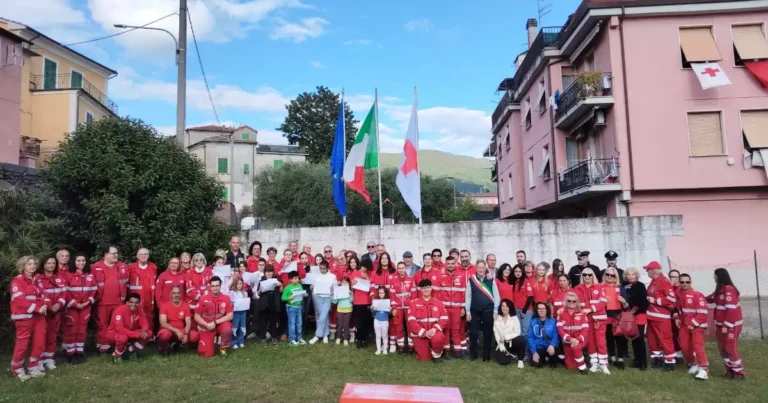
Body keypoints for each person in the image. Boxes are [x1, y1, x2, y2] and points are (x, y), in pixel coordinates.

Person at [10, 256, 47, 381]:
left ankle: (33, 367)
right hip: (23, 317)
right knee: (22, 344)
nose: (32, 266)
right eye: (29, 264)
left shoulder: (37, 280)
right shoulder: (17, 281)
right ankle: (17, 369)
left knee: (39, 343)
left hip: (39, 316)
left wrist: (45, 305)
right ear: (23, 266)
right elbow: (20, 300)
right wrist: (37, 308)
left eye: (33, 264)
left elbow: (43, 295)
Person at [707, 268, 745, 380]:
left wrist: (726, 325)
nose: (713, 278)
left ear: (719, 276)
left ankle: (739, 372)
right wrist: (697, 296)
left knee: (730, 348)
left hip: (731, 325)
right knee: (722, 349)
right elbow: (710, 298)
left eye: (714, 275)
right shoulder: (720, 290)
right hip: (720, 325)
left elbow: (731, 310)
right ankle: (730, 370)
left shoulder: (729, 290)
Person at [92, 245, 130, 355]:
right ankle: (103, 347)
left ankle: (117, 345)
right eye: (113, 253)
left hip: (119, 302)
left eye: (116, 253)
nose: (116, 255)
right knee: (102, 325)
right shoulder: (95, 267)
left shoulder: (122, 266)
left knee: (118, 325)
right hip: (102, 302)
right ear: (106, 255)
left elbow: (125, 283)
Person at [574, 267, 610, 374]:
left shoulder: (599, 287)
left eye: (590, 275)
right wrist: (582, 307)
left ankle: (603, 364)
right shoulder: (578, 288)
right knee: (591, 342)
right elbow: (577, 303)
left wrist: (590, 308)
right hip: (586, 319)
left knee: (600, 341)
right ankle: (594, 363)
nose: (587, 277)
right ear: (582, 276)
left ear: (593, 275)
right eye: (585, 275)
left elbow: (603, 302)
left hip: (599, 318)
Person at [674, 274, 710, 380]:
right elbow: (676, 309)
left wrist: (693, 324)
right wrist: (676, 318)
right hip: (684, 325)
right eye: (682, 282)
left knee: (698, 346)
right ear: (679, 283)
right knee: (684, 347)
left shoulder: (697, 295)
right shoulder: (678, 294)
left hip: (697, 325)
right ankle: (694, 363)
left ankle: (704, 369)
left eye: (687, 282)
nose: (685, 284)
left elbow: (703, 313)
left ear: (690, 282)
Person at [63, 252, 96, 364]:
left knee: (82, 330)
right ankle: (71, 354)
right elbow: (65, 292)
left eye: (83, 261)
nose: (81, 263)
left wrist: (88, 301)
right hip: (72, 307)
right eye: (78, 261)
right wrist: (74, 303)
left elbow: (94, 289)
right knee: (71, 330)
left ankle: (80, 352)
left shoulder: (89, 275)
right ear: (74, 262)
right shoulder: (68, 274)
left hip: (86, 307)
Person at [644, 261, 677, 371]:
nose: (646, 272)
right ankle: (657, 359)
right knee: (652, 339)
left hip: (661, 317)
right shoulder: (654, 282)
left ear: (653, 271)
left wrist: (655, 300)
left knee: (665, 339)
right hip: (651, 316)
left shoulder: (663, 282)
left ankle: (669, 362)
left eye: (647, 269)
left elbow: (672, 300)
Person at [465, 260, 500, 362]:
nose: (481, 269)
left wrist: (496, 310)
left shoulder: (491, 280)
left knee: (488, 334)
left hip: (489, 311)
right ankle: (473, 355)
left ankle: (486, 356)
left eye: (483, 268)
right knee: (474, 333)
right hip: (475, 311)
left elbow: (497, 296)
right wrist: (467, 311)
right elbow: (468, 297)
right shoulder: (471, 280)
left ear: (485, 268)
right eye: (479, 267)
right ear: (476, 268)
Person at [36, 256, 66, 371]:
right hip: (43, 313)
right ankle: (38, 360)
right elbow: (39, 295)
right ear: (43, 265)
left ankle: (48, 359)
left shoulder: (60, 278)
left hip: (56, 311)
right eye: (49, 263)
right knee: (40, 337)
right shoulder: (38, 278)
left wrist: (59, 304)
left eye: (53, 263)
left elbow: (64, 294)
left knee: (52, 336)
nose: (51, 265)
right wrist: (49, 307)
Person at [408, 279, 449, 363]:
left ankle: (437, 354)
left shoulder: (438, 303)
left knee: (438, 338)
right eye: (423, 288)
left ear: (431, 288)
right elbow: (411, 321)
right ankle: (429, 348)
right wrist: (424, 333)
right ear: (420, 289)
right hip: (420, 333)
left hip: (434, 331)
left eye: (427, 287)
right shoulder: (413, 303)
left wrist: (434, 329)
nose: (426, 290)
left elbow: (444, 318)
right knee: (424, 359)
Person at [107, 293, 152, 363]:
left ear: (139, 303)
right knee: (123, 338)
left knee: (149, 333)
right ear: (127, 302)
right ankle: (116, 356)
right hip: (113, 334)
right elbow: (120, 329)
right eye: (131, 302)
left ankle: (130, 351)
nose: (133, 305)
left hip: (130, 332)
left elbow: (145, 323)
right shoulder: (119, 310)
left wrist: (143, 331)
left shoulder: (139, 309)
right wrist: (138, 335)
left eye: (136, 303)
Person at [195, 276, 233, 358]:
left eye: (217, 286)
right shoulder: (203, 298)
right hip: (207, 326)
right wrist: (206, 325)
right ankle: (212, 343)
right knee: (206, 354)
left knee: (227, 329)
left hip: (220, 324)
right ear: (209, 286)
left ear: (220, 286)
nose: (215, 288)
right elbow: (196, 316)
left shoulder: (226, 298)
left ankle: (223, 349)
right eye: (213, 286)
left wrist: (215, 322)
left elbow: (230, 316)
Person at [439, 255, 467, 358]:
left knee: (456, 329)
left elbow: (463, 292)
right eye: (448, 264)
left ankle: (457, 350)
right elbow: (438, 293)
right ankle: (446, 350)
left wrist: (463, 307)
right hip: (444, 308)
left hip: (456, 308)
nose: (450, 265)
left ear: (455, 263)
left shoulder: (461, 276)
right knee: (446, 329)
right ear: (445, 264)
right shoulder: (441, 276)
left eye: (452, 263)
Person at [158, 286, 198, 355]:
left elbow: (188, 322)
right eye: (174, 293)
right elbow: (163, 323)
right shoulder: (164, 305)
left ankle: (178, 345)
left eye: (178, 293)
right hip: (169, 330)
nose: (176, 295)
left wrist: (186, 334)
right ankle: (164, 348)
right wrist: (176, 331)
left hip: (181, 331)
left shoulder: (185, 305)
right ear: (170, 295)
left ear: (181, 294)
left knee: (195, 335)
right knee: (164, 335)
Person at [622, 267, 649, 370]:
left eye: (633, 274)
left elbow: (643, 302)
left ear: (636, 275)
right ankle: (637, 360)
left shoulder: (640, 285)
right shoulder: (623, 286)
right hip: (628, 315)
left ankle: (643, 362)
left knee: (640, 338)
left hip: (639, 314)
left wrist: (633, 311)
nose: (630, 276)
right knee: (633, 338)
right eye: (628, 274)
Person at [556, 291, 589, 374]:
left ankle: (582, 367)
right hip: (567, 341)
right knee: (571, 367)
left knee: (575, 347)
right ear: (565, 302)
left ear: (577, 302)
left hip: (580, 340)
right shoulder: (561, 313)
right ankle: (581, 358)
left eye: (574, 301)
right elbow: (560, 329)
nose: (571, 303)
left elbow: (586, 330)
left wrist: (578, 339)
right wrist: (570, 339)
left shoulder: (582, 313)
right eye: (569, 301)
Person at [603, 267, 629, 369]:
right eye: (607, 274)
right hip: (606, 315)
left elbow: (627, 306)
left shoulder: (620, 288)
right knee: (609, 337)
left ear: (616, 277)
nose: (610, 277)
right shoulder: (600, 287)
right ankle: (613, 357)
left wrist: (623, 301)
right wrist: (602, 300)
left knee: (620, 337)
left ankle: (621, 358)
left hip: (618, 316)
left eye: (612, 275)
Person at [127, 248, 157, 332]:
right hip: (135, 298)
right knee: (134, 316)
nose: (143, 256)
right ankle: (134, 335)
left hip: (149, 298)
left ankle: (149, 335)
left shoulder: (153, 267)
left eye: (145, 254)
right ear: (137, 256)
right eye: (141, 254)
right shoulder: (130, 267)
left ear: (148, 256)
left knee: (149, 316)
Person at [390, 261, 416, 352]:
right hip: (398, 307)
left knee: (410, 326)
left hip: (409, 307)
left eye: (402, 268)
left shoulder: (411, 279)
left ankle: (411, 346)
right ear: (397, 269)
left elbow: (414, 295)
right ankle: (401, 346)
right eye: (399, 268)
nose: (401, 270)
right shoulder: (393, 280)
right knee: (398, 326)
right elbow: (392, 295)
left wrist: (413, 308)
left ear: (405, 269)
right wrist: (393, 307)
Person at [309, 260, 336, 344]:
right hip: (318, 297)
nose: (322, 270)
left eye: (324, 268)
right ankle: (325, 335)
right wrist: (312, 287)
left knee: (322, 317)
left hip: (327, 297)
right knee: (321, 316)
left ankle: (317, 335)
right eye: (320, 268)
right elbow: (312, 286)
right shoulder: (317, 276)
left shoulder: (332, 276)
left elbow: (335, 289)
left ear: (327, 268)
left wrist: (332, 290)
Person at [493, 299, 526, 368]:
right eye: (503, 306)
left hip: (512, 342)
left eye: (507, 306)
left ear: (510, 308)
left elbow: (517, 332)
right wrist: (501, 346)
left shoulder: (514, 318)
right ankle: (509, 354)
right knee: (503, 362)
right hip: (501, 343)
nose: (504, 308)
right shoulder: (497, 317)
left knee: (521, 339)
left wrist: (505, 337)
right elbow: (496, 333)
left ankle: (520, 360)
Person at [528, 302, 559, 369]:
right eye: (539, 309)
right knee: (536, 364)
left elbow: (555, 335)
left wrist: (552, 345)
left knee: (553, 365)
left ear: (547, 310)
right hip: (539, 347)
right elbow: (530, 337)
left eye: (543, 309)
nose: (541, 310)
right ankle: (543, 358)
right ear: (536, 310)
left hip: (550, 346)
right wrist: (534, 352)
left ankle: (550, 357)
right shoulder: (533, 322)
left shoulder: (552, 321)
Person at [257, 265, 282, 345]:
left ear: (273, 272)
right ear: (265, 272)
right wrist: (260, 290)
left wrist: (280, 285)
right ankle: (263, 338)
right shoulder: (261, 280)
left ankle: (274, 337)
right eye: (267, 271)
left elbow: (281, 291)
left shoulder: (276, 280)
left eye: (270, 271)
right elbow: (257, 293)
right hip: (264, 303)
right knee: (263, 321)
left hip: (273, 303)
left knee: (273, 321)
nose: (269, 273)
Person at [351, 257, 373, 348]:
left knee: (366, 321)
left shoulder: (370, 274)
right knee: (359, 321)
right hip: (358, 301)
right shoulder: (355, 273)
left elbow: (372, 287)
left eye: (366, 267)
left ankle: (365, 338)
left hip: (367, 300)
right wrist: (352, 284)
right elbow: (352, 289)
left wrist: (367, 278)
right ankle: (359, 339)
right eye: (363, 266)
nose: (364, 269)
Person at [281, 271, 306, 346]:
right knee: (292, 323)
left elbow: (302, 294)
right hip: (291, 307)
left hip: (299, 306)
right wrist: (289, 297)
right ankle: (292, 338)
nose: (297, 280)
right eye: (295, 278)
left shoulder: (300, 286)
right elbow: (283, 298)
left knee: (299, 323)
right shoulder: (288, 288)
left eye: (297, 278)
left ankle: (299, 337)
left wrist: (304, 294)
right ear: (290, 279)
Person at [512, 264, 533, 339]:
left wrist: (524, 311)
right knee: (518, 331)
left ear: (522, 272)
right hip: (516, 309)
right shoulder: (513, 282)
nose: (518, 273)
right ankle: (520, 349)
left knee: (525, 331)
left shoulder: (526, 281)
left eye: (519, 271)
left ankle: (526, 350)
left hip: (526, 310)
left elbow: (530, 297)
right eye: (516, 271)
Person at [229, 277, 250, 349]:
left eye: (241, 283)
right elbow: (230, 302)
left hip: (243, 312)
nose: (239, 285)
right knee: (235, 326)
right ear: (235, 284)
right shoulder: (232, 293)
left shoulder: (244, 293)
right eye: (238, 284)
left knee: (242, 326)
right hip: (235, 312)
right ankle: (234, 341)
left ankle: (241, 341)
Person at [668, 269, 683, 362]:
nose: (673, 278)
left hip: (678, 314)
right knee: (671, 334)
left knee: (678, 334)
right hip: (668, 314)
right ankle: (674, 353)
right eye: (671, 276)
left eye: (676, 277)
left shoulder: (681, 288)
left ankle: (679, 354)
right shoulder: (667, 287)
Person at [333, 277, 354, 346]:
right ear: (341, 283)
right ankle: (338, 338)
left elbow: (351, 301)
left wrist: (351, 294)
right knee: (340, 325)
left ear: (349, 283)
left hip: (348, 309)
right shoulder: (338, 290)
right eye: (343, 282)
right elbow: (334, 301)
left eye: (346, 282)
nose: (344, 283)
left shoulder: (350, 291)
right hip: (340, 309)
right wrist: (334, 295)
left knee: (346, 324)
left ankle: (345, 339)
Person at [372, 286, 391, 355]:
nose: (380, 294)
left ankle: (385, 349)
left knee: (385, 336)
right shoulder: (376, 301)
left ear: (385, 293)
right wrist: (373, 308)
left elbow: (389, 313)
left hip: (385, 321)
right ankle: (378, 349)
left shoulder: (388, 301)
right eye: (379, 293)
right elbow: (373, 313)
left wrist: (390, 309)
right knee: (378, 335)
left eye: (382, 293)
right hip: (377, 320)